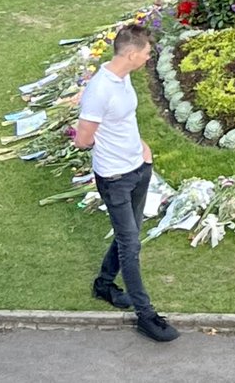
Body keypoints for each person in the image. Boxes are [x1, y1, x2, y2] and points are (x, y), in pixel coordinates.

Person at [73, 23, 180, 343]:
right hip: (116, 178)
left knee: (127, 235)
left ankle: (104, 285)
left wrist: (141, 148)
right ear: (132, 55)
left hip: (138, 168)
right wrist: (111, 150)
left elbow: (125, 119)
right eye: (147, 53)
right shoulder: (100, 90)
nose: (149, 57)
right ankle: (146, 316)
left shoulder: (123, 76)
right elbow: (82, 139)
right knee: (130, 244)